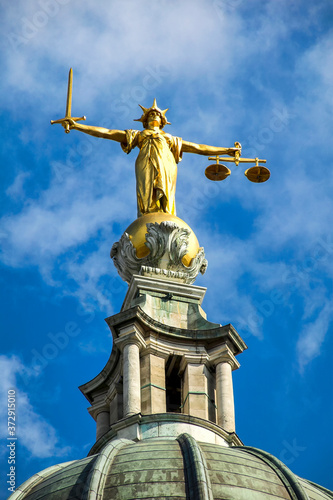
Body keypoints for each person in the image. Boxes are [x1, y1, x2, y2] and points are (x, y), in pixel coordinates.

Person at [63, 99, 240, 217]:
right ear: (145, 120)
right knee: (147, 193)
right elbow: (107, 133)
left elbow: (199, 148)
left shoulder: (170, 139)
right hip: (145, 162)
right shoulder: (138, 135)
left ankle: (164, 214)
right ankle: (148, 215)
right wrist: (78, 126)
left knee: (165, 194)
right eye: (151, 114)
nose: (154, 115)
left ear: (163, 121)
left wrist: (226, 151)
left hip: (167, 165)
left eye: (157, 114)